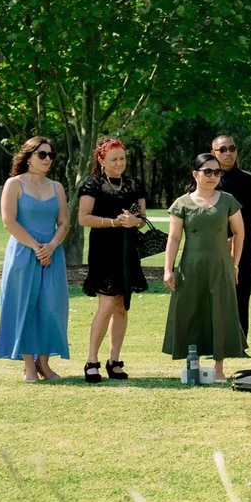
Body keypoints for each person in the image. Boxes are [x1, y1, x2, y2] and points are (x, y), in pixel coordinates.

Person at [162, 152, 247, 381]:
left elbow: (240, 233)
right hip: (190, 266)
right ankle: (194, 366)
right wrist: (168, 269)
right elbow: (174, 238)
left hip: (220, 266)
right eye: (207, 171)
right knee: (191, 313)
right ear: (195, 174)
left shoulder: (228, 200)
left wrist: (235, 264)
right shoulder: (182, 203)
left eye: (217, 172)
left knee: (220, 312)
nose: (213, 176)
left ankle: (219, 369)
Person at [0, 137, 71, 382]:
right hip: (23, 253)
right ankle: (29, 365)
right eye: (42, 154)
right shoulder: (13, 184)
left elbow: (64, 224)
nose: (48, 159)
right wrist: (36, 247)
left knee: (51, 308)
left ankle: (44, 363)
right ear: (28, 157)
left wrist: (50, 247)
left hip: (52, 254)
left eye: (50, 155)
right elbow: (9, 221)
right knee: (25, 307)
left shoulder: (57, 187)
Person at [77, 136, 146, 383]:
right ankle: (91, 360)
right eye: (114, 159)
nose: (119, 163)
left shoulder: (133, 184)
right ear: (101, 160)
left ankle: (114, 360)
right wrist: (114, 222)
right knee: (105, 306)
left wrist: (134, 221)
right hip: (103, 251)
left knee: (122, 306)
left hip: (127, 251)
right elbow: (84, 218)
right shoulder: (92, 184)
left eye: (123, 158)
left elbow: (142, 217)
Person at [211, 135, 251, 344]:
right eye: (222, 149)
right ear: (213, 152)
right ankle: (213, 342)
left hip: (244, 249)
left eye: (232, 148)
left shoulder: (249, 179)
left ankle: (239, 344)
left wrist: (236, 238)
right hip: (211, 248)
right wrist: (219, 238)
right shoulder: (207, 179)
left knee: (240, 298)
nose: (228, 153)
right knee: (213, 298)